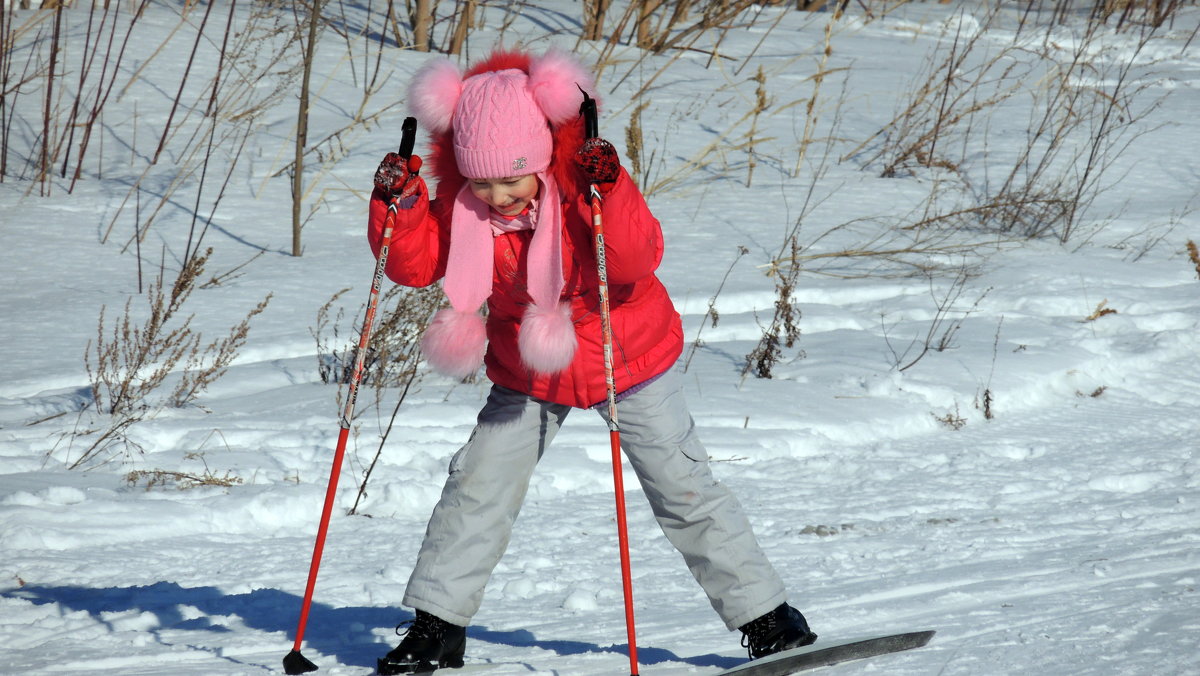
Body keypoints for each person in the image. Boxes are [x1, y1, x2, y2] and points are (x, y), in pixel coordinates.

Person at [367, 48, 816, 675]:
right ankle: (437, 626)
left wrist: (609, 191)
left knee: (684, 490)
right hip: (530, 369)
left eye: (513, 179)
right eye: (483, 181)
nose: (496, 196)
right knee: (476, 487)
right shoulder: (464, 206)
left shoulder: (587, 190)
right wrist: (400, 206)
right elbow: (412, 267)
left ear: (543, 159)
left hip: (625, 361)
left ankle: (770, 619)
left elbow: (635, 261)